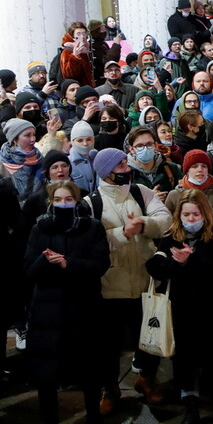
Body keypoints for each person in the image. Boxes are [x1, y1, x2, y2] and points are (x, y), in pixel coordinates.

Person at [85, 148, 173, 415]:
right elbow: (92, 240)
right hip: (112, 285)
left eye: (126, 162)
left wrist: (144, 224)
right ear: (106, 172)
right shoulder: (92, 203)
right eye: (120, 164)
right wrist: (122, 233)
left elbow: (165, 219)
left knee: (150, 337)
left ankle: (146, 379)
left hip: (145, 281)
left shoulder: (141, 192)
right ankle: (110, 389)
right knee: (108, 345)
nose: (126, 167)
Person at [146, 190, 213, 423]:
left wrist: (191, 260)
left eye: (196, 214)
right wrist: (173, 263)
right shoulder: (171, 237)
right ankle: (190, 402)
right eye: (187, 214)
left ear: (205, 214)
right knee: (186, 358)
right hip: (184, 309)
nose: (192, 218)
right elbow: (155, 266)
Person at [24, 181, 109, 424]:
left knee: (88, 370)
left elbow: (100, 265)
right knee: (47, 371)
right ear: (51, 202)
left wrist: (68, 264)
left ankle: (93, 415)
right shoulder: (39, 229)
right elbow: (28, 270)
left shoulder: (92, 228)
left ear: (77, 201)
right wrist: (45, 261)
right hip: (47, 312)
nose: (63, 204)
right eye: (58, 200)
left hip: (83, 308)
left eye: (68, 200)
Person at [165, 149, 213, 217]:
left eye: (204, 166)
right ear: (187, 171)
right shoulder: (174, 195)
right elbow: (167, 221)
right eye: (194, 166)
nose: (200, 170)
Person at [1, 118, 44, 201]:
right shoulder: (2, 163)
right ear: (14, 139)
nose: (33, 139)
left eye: (34, 134)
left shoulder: (40, 158)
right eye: (27, 135)